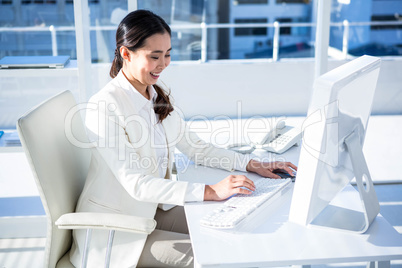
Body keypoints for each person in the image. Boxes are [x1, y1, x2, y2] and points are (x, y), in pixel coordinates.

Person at [70, 9, 297, 268]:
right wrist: (210, 191)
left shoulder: (154, 94)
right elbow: (137, 184)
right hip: (116, 230)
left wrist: (251, 163)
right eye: (154, 56)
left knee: (236, 233)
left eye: (167, 55)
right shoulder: (104, 106)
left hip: (153, 210)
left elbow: (194, 147)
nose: (163, 64)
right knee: (215, 255)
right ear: (126, 53)